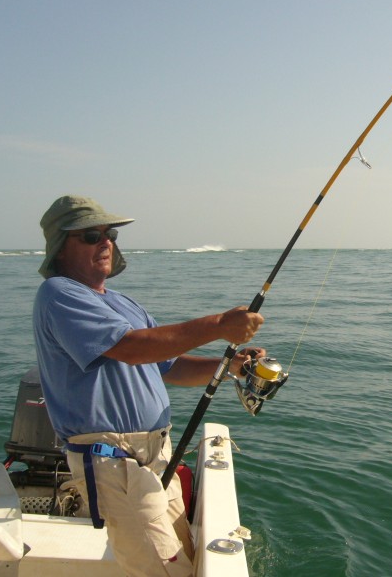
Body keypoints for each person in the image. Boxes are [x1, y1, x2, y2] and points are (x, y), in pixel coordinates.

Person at [32, 195, 264, 577]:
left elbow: (168, 366)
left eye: (110, 235)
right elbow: (133, 349)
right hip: (115, 462)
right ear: (60, 247)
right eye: (91, 235)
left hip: (156, 458)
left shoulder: (123, 303)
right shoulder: (59, 293)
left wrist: (232, 367)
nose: (105, 242)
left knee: (182, 558)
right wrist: (219, 324)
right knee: (165, 569)